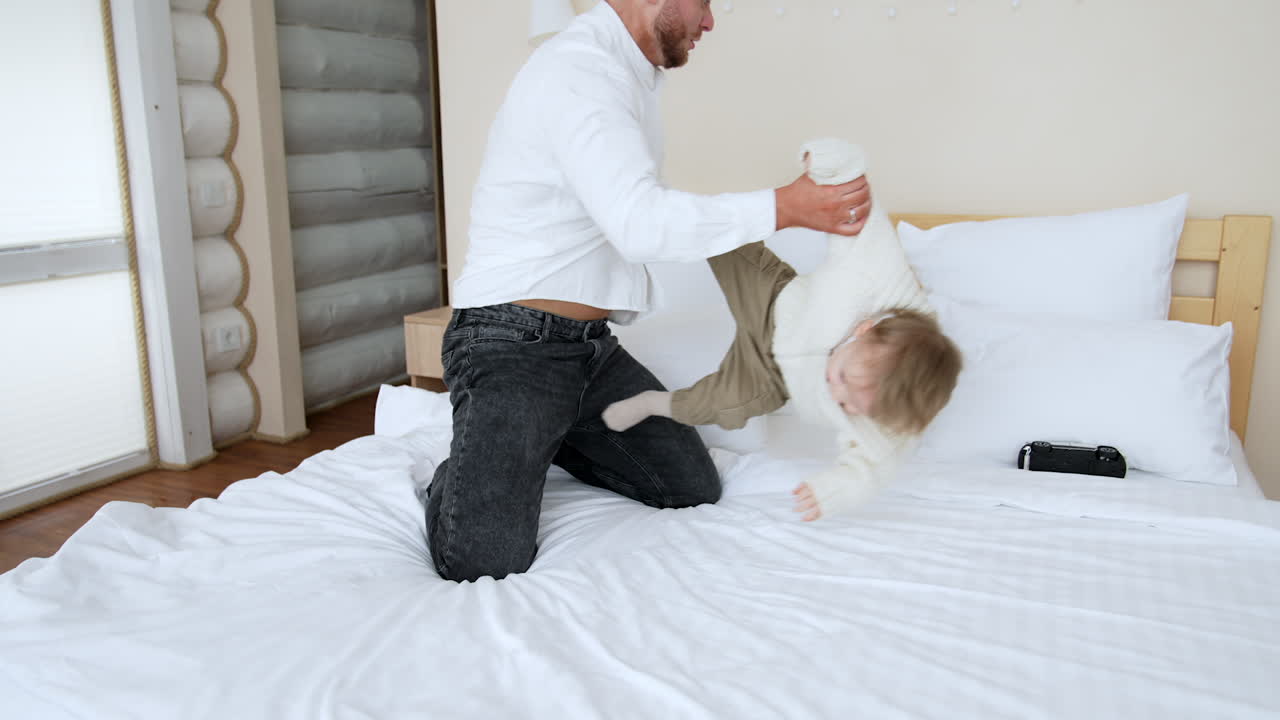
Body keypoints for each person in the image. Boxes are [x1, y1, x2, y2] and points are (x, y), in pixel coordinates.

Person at [428, 0, 874, 582]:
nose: (710, 22)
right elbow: (639, 224)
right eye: (706, 4)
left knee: (688, 486)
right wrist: (783, 208)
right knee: (482, 563)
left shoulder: (630, 78)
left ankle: (541, 436)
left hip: (586, 349)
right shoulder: (580, 70)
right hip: (512, 342)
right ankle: (467, 466)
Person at [603, 139, 963, 520]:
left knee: (715, 405)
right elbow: (859, 213)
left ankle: (648, 404)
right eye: (841, 377)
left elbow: (870, 469)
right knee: (723, 237)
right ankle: (644, 205)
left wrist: (832, 491)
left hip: (771, 375)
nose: (831, 389)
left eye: (846, 406)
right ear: (865, 328)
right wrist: (833, 165)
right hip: (777, 302)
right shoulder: (880, 278)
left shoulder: (892, 419)